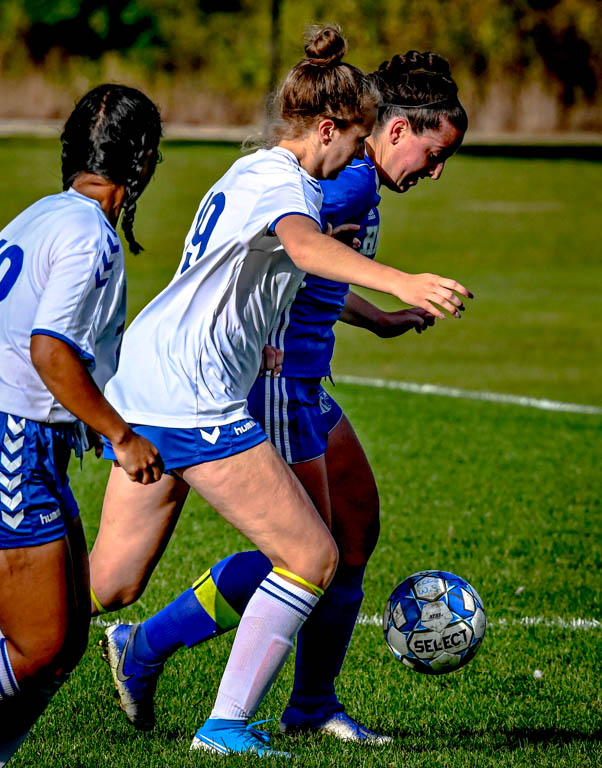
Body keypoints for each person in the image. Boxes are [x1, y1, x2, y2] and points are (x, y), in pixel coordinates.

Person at [89, 27, 470, 757]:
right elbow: (303, 248)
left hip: (162, 378)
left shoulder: (264, 168)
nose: (360, 157)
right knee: (309, 556)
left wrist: (366, 319)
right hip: (218, 390)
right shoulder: (310, 180)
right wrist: (401, 282)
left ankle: (148, 650)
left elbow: (286, 270)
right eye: (357, 139)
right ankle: (225, 720)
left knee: (110, 585)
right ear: (338, 128)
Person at [0, 85, 163, 765]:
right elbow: (49, 349)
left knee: (63, 644)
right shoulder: (89, 234)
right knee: (38, 643)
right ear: (141, 166)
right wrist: (122, 435)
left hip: (35, 439)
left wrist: (86, 421)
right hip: (15, 441)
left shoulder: (37, 216)